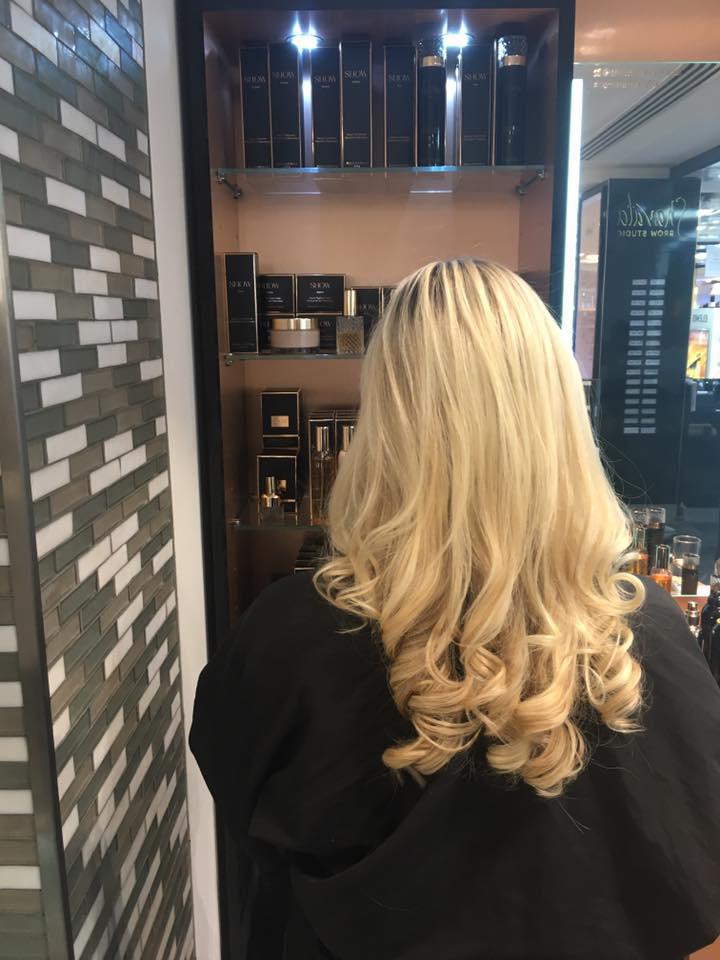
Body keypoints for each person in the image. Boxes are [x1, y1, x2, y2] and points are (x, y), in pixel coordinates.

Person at [190, 259, 720, 960]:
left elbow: (239, 797)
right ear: (559, 417)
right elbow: (690, 880)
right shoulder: (647, 631)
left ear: (385, 422)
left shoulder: (290, 633)